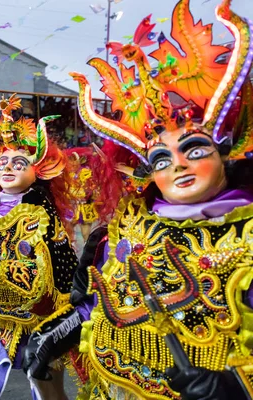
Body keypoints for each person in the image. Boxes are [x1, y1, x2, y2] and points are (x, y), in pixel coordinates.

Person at [26, 2, 253, 399]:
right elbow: (99, 302)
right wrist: (61, 329)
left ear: (229, 154)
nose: (178, 166)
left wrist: (234, 387)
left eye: (195, 150)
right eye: (161, 159)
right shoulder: (123, 229)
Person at [0, 95, 80, 399]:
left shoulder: (41, 212)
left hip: (39, 317)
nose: (7, 168)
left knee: (47, 388)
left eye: (19, 162)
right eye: (2, 163)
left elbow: (44, 275)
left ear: (39, 169)